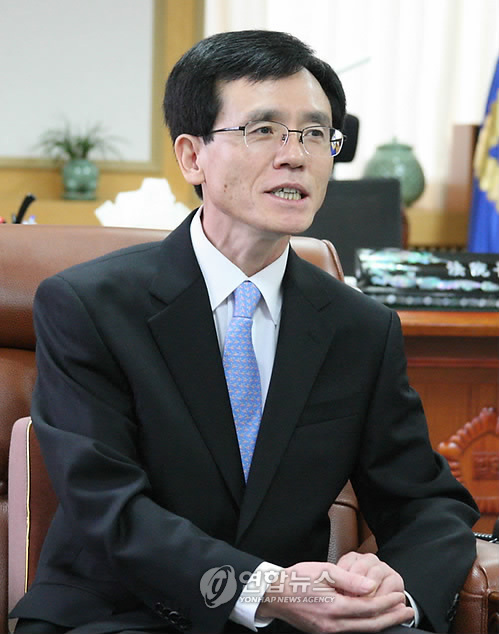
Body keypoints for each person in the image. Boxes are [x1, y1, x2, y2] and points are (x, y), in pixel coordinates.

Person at [11, 30, 479, 634]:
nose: (296, 156)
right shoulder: (88, 306)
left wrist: (398, 593)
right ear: (192, 156)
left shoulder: (360, 328)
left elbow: (426, 501)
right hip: (120, 614)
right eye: (263, 130)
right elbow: (109, 508)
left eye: (316, 134)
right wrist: (266, 588)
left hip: (297, 622)